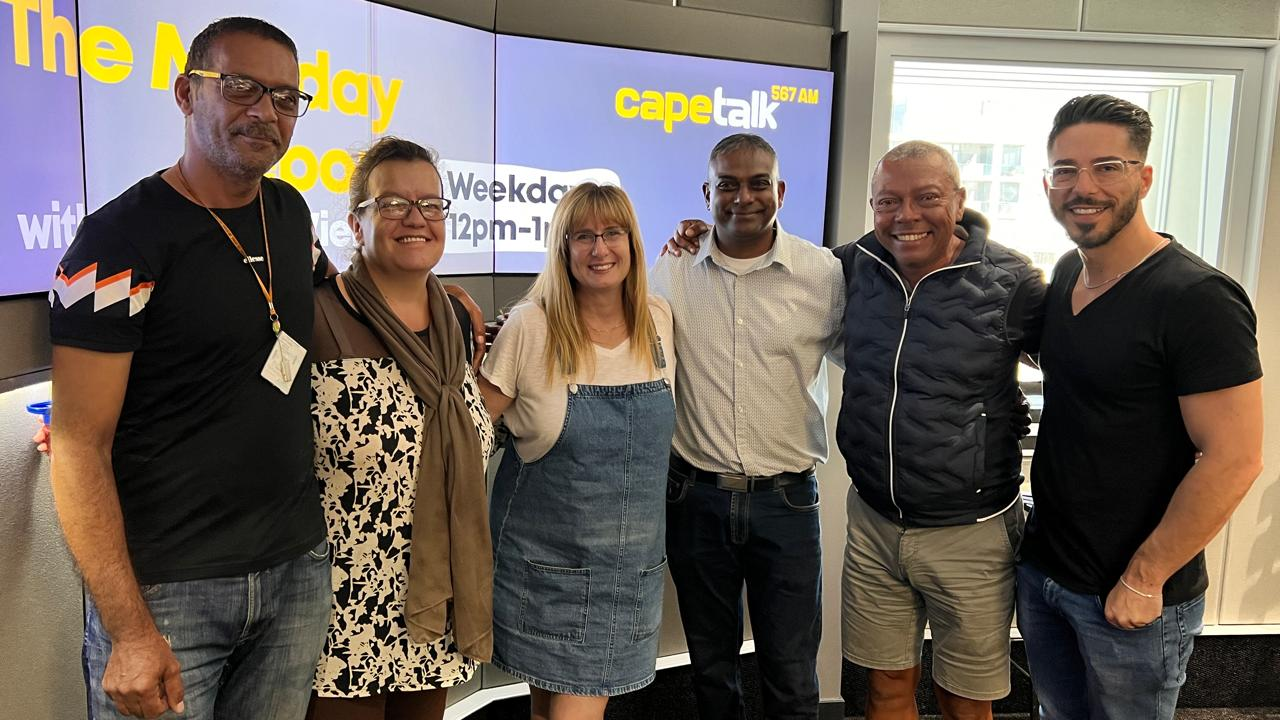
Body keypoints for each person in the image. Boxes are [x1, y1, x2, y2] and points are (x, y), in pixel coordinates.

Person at [48, 17, 330, 720]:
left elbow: (334, 292)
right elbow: (79, 445)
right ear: (185, 93)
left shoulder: (290, 213)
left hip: (295, 572)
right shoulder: (117, 239)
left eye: (286, 97)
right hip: (168, 593)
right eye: (240, 87)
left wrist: (439, 298)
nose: (265, 111)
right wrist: (129, 630)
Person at [1018, 94, 1264, 718]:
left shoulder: (1197, 298)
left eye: (1107, 166)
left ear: (1144, 176)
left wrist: (1145, 576)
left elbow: (1234, 458)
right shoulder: (1068, 274)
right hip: (1047, 574)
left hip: (1131, 596)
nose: (1083, 187)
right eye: (1066, 170)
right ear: (1048, 183)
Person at [833, 141, 1045, 719]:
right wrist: (699, 235)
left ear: (958, 200)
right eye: (888, 201)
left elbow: (1085, 373)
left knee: (964, 700)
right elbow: (775, 265)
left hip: (971, 532)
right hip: (875, 522)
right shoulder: (854, 265)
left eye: (926, 198)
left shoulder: (1013, 282)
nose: (906, 216)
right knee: (884, 688)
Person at [651, 133, 844, 720]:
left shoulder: (823, 273)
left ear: (780, 191)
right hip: (696, 498)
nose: (744, 197)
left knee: (791, 672)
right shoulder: (672, 268)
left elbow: (871, 355)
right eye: (728, 185)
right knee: (711, 669)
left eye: (758, 183)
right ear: (707, 193)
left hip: (786, 503)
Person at [305, 137, 495, 719]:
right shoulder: (315, 315)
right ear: (355, 224)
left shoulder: (456, 319)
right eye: (392, 204)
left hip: (435, 603)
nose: (416, 218)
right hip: (342, 611)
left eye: (431, 204)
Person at [479, 183, 677, 720]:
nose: (600, 249)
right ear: (562, 248)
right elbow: (473, 429)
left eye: (612, 233)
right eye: (583, 236)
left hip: (629, 575)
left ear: (632, 242)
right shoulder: (530, 326)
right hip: (543, 573)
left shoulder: (659, 320)